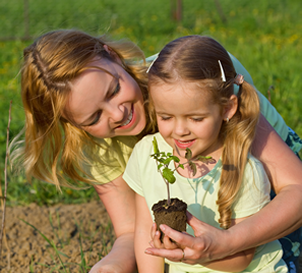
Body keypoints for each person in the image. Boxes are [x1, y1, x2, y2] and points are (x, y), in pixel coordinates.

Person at [14, 29, 302, 273]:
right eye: (93, 118)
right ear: (73, 124)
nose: (117, 114)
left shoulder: (191, 78)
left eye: (113, 90)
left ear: (113, 56)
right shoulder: (96, 149)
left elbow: (296, 189)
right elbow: (131, 232)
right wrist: (110, 266)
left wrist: (226, 244)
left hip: (274, 190)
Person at [123, 35, 289, 272]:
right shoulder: (146, 154)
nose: (179, 131)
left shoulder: (245, 169)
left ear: (227, 109)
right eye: (166, 117)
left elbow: (241, 259)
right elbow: (143, 230)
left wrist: (190, 255)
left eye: (196, 118)